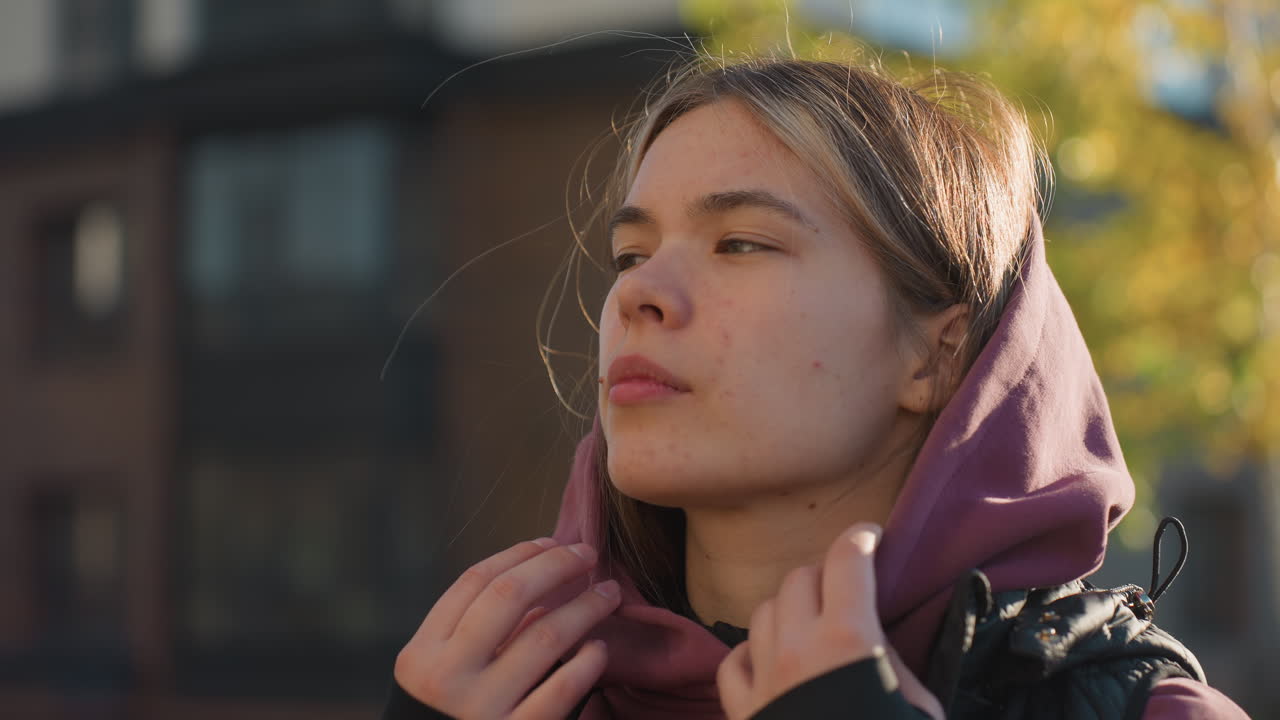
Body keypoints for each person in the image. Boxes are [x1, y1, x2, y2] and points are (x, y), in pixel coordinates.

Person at [382, 56, 1251, 719]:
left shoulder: (1139, 708)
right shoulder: (503, 694)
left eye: (740, 243)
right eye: (631, 255)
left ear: (936, 356)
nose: (636, 295)